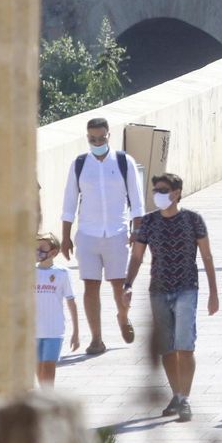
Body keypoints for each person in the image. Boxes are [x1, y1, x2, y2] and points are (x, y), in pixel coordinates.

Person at [124, 173, 219, 424]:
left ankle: (185, 398)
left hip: (187, 288)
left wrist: (214, 293)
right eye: (155, 189)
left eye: (163, 189)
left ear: (177, 192)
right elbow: (136, 257)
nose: (158, 194)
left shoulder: (193, 220)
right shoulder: (147, 222)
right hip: (158, 290)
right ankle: (176, 394)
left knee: (185, 346)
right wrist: (127, 284)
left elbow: (207, 256)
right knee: (166, 348)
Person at [59, 117, 144, 355]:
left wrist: (137, 232)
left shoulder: (123, 162)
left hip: (117, 233)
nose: (97, 142)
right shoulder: (79, 164)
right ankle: (96, 339)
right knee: (90, 286)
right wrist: (65, 237)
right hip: (87, 234)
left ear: (109, 136)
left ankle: (123, 316)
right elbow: (68, 203)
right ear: (87, 138)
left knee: (120, 285)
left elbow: (137, 202)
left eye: (101, 138)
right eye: (92, 139)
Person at [34, 232, 79, 386]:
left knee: (48, 367)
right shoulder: (29, 272)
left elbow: (71, 301)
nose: (37, 251)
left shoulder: (62, 273)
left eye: (41, 248)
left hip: (54, 330)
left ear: (53, 252)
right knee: (38, 369)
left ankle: (48, 397)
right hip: (33, 331)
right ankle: (43, 397)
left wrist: (76, 332)